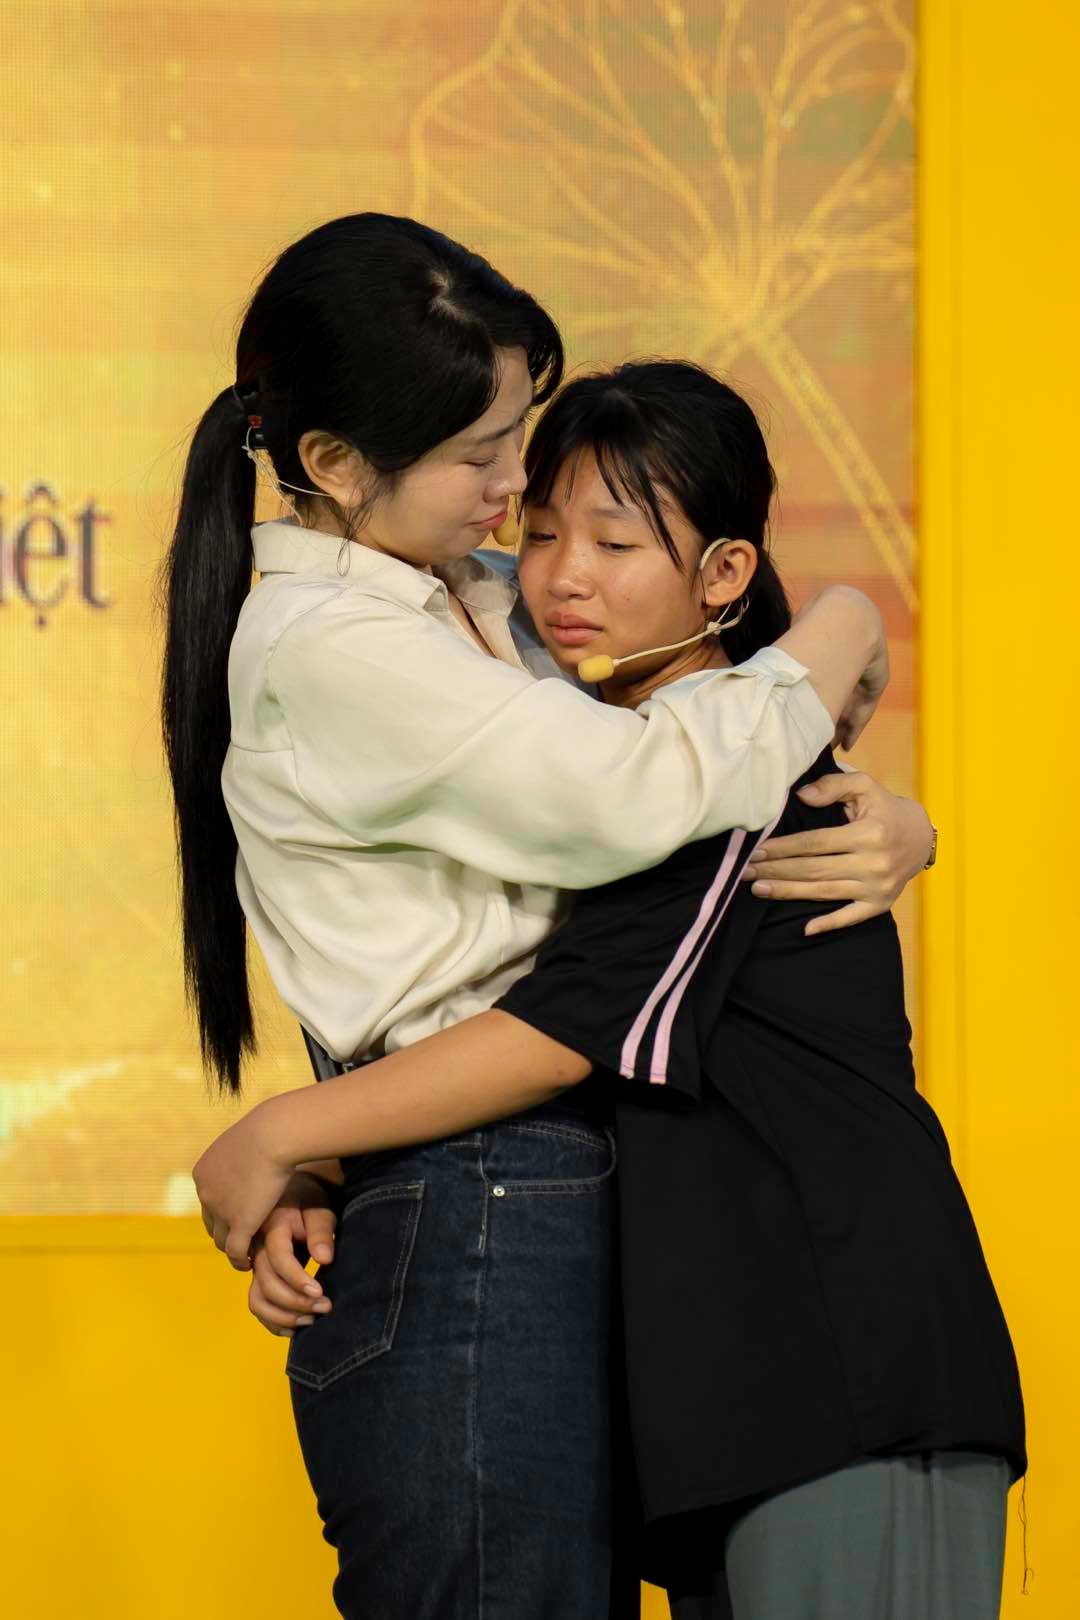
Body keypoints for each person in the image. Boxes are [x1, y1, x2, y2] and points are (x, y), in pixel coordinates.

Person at [181, 336, 942, 1615]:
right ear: (337, 463)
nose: (527, 536)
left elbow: (563, 1007)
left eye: (608, 538)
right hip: (671, 1331)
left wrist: (297, 1132)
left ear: (722, 571)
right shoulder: (402, 649)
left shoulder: (581, 688)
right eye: (510, 493)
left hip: (822, 1359)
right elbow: (545, 980)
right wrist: (312, 1146)